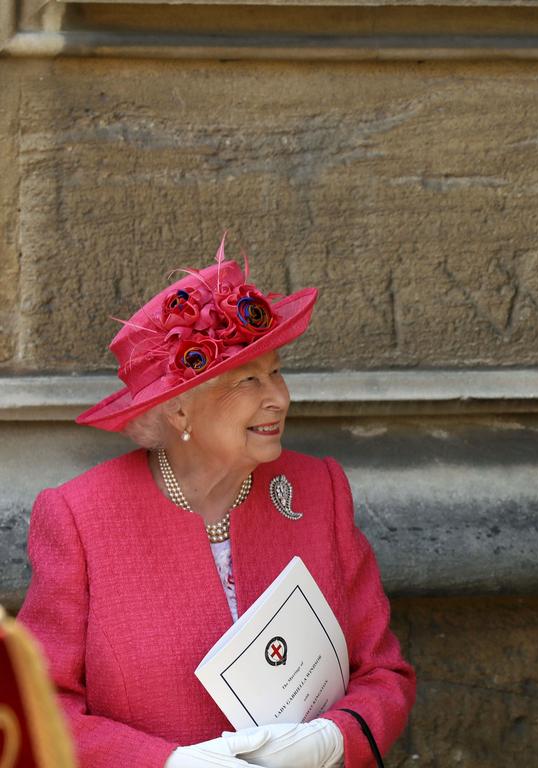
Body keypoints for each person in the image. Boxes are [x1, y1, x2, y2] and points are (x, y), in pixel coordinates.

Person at [18, 237, 416, 768]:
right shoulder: (80, 519)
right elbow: (40, 713)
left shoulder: (319, 490)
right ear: (178, 413)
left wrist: (332, 740)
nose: (278, 396)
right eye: (247, 380)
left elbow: (384, 676)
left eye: (275, 371)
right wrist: (168, 765)